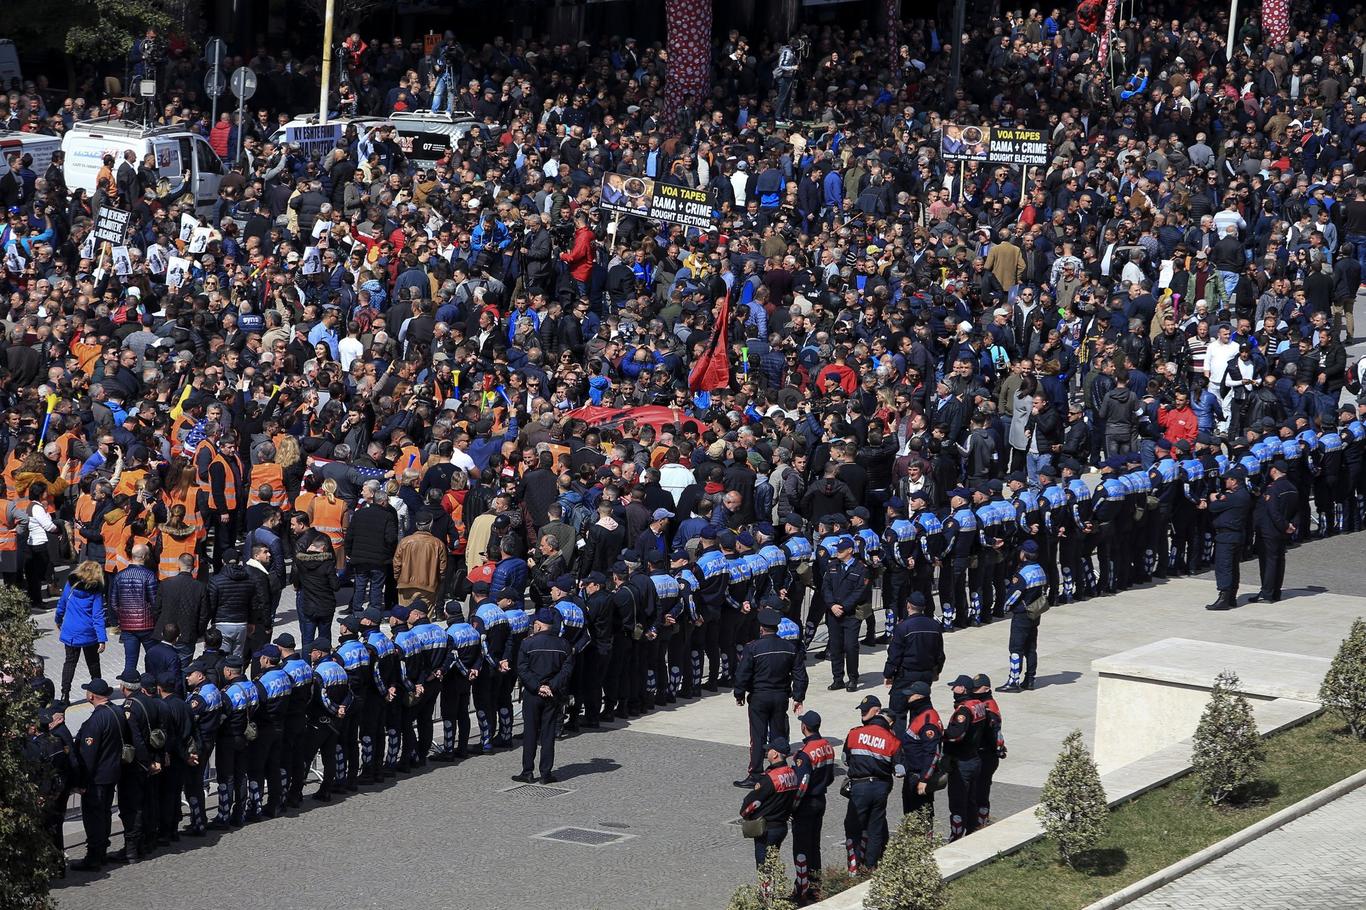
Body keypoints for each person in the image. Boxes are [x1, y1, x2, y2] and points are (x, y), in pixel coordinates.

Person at [732, 604, 808, 787]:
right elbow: (800, 675)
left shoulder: (753, 648)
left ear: (761, 627)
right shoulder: (790, 648)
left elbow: (743, 673)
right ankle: (778, 771)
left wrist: (739, 694)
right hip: (781, 696)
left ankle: (755, 774)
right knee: (778, 736)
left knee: (757, 737)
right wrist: (798, 697)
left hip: (759, 696)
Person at [512, 607, 574, 784]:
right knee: (548, 734)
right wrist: (550, 686)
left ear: (538, 625)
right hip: (553, 694)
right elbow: (566, 670)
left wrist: (538, 686)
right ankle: (546, 773)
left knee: (530, 732)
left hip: (533, 694)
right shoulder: (563, 644)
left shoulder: (527, 644)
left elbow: (522, 669)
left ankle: (527, 771)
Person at [71, 679, 127, 871]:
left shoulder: (96, 720)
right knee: (104, 814)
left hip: (97, 777)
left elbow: (88, 755)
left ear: (92, 695)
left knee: (94, 817)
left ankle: (94, 855)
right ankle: (101, 850)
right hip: (112, 773)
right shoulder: (117, 711)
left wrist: (82, 781)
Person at [841, 695, 899, 872]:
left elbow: (845, 759)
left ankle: (853, 866)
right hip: (881, 787)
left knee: (852, 826)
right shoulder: (893, 740)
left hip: (860, 785)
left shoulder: (854, 733)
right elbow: (899, 770)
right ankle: (871, 866)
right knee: (875, 827)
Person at [788, 710, 835, 903]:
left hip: (806, 804)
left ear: (804, 727)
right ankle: (816, 887)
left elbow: (801, 784)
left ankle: (801, 890)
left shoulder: (805, 754)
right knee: (814, 846)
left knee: (801, 849)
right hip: (820, 800)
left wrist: (793, 807)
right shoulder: (827, 746)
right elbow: (830, 776)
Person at [882, 591, 945, 723]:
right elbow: (940, 654)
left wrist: (888, 674)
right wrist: (936, 671)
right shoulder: (935, 626)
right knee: (920, 713)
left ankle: (899, 742)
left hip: (905, 676)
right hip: (926, 676)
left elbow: (894, 655)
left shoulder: (903, 627)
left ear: (908, 606)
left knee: (897, 714)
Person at [738, 735, 798, 867]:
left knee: (764, 866)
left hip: (767, 828)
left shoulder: (770, 779)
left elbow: (751, 803)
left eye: (769, 750)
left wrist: (745, 814)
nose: (767, 752)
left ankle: (767, 888)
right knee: (773, 863)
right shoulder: (792, 774)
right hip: (781, 826)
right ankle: (774, 886)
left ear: (775, 754)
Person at [942, 674, 988, 842]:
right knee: (971, 800)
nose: (953, 690)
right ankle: (972, 834)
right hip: (976, 759)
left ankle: (956, 838)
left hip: (962, 762)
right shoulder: (979, 705)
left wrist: (940, 734)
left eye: (955, 687)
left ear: (962, 688)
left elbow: (956, 735)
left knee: (957, 802)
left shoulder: (963, 710)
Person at [55, 559, 107, 704]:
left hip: (71, 631)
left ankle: (65, 694)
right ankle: (99, 690)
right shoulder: (96, 591)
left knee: (70, 663)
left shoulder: (70, 584)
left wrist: (58, 619)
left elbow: (62, 604)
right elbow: (98, 616)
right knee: (93, 663)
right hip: (88, 633)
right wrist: (101, 639)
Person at [823, 536, 868, 692]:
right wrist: (832, 605)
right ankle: (838, 679)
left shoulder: (861, 568)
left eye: (841, 550)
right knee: (835, 647)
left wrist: (843, 606)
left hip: (851, 614)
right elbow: (826, 588)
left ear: (850, 551)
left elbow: (860, 592)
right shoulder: (832, 566)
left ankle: (853, 678)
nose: (838, 552)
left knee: (850, 646)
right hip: (833, 613)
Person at [1002, 541, 1048, 691]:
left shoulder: (1023, 574)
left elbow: (1014, 595)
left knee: (1016, 648)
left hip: (1022, 613)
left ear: (1024, 554)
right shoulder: (1040, 569)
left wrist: (1006, 607)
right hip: (1035, 612)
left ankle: (1013, 681)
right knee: (1031, 648)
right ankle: (1030, 679)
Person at [1206, 466, 1253, 610]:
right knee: (1232, 566)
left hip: (1227, 535)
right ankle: (1231, 597)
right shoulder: (1243, 494)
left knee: (1224, 566)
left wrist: (1214, 498)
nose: (1225, 481)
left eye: (1228, 479)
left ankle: (1224, 598)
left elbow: (1213, 507)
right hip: (1235, 534)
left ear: (1234, 481)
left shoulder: (1234, 497)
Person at [1251, 460, 1299, 604]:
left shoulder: (1273, 488)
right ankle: (1276, 592)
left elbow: (1273, 512)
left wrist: (1284, 525)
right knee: (1279, 560)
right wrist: (1292, 525)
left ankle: (1267, 593)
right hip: (1283, 530)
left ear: (1274, 471)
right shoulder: (1292, 487)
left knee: (1268, 561)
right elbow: (1298, 509)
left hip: (1269, 530)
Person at [898, 680, 943, 818]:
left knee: (921, 815)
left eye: (910, 696)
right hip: (912, 773)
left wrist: (924, 779)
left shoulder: (928, 720)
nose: (907, 698)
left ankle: (924, 839)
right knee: (911, 815)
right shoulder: (920, 714)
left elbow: (933, 753)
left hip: (919, 776)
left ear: (919, 697)